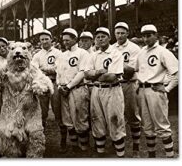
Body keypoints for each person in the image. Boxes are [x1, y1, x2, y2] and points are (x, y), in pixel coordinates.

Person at [136, 24, 178, 158]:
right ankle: (151, 157)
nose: (146, 39)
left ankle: (170, 156)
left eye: (149, 35)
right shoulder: (141, 51)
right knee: (147, 127)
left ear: (156, 35)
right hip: (142, 90)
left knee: (162, 126)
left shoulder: (163, 51)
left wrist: (166, 88)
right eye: (144, 36)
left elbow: (176, 73)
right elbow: (137, 70)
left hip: (156, 90)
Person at [85, 27, 126, 157]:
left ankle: (120, 155)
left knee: (115, 120)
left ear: (109, 38)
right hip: (96, 90)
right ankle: (100, 154)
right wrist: (99, 72)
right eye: (98, 37)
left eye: (103, 36)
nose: (100, 39)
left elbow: (112, 77)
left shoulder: (115, 53)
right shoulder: (93, 55)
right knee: (97, 121)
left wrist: (94, 74)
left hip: (112, 89)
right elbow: (86, 74)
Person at [32, 30, 67, 152]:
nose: (44, 41)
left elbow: (59, 69)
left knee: (58, 112)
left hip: (55, 83)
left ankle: (63, 140)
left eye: (46, 39)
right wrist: (47, 70)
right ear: (39, 41)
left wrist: (44, 70)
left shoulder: (58, 53)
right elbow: (34, 70)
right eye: (42, 39)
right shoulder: (37, 55)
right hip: (42, 85)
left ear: (51, 39)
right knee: (42, 113)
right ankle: (41, 140)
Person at [56, 28, 90, 152]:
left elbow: (83, 72)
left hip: (77, 88)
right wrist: (60, 85)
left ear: (75, 39)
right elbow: (58, 73)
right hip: (64, 90)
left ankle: (84, 147)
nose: (65, 42)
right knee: (67, 119)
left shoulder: (82, 53)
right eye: (64, 40)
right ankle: (75, 146)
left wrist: (69, 86)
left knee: (81, 117)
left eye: (68, 40)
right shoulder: (62, 55)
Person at [112, 22, 141, 157]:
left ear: (127, 33)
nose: (120, 35)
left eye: (122, 33)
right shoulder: (112, 47)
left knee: (132, 115)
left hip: (129, 83)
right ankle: (119, 144)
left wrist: (116, 63)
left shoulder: (134, 48)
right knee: (117, 115)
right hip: (116, 84)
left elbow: (130, 70)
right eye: (117, 33)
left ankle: (136, 146)